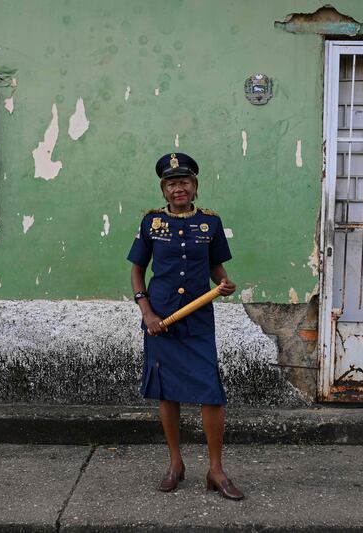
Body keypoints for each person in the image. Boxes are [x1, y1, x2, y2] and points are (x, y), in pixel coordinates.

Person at [127, 152, 244, 501]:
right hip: (161, 320)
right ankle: (175, 465)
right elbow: (136, 271)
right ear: (164, 190)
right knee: (168, 392)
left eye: (185, 182)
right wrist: (146, 311)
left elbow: (216, 268)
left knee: (212, 393)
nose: (179, 188)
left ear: (195, 187)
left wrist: (224, 283)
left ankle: (216, 470)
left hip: (197, 319)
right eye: (172, 183)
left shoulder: (210, 224)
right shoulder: (151, 224)